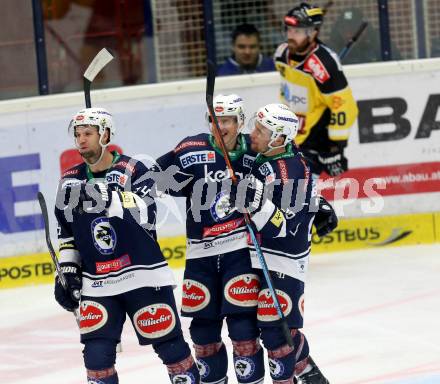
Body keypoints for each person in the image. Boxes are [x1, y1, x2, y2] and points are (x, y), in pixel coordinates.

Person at [53, 107, 200, 384]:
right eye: (78, 134)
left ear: (105, 135)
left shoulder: (134, 169)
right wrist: (68, 271)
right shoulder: (70, 180)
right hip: (98, 281)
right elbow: (67, 233)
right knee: (96, 360)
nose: (81, 140)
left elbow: (148, 213)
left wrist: (112, 197)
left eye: (88, 133)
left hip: (142, 275)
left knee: (173, 352)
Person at [153, 95, 265, 384]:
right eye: (215, 121)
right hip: (200, 254)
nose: (220, 127)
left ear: (240, 122)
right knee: (203, 332)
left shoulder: (255, 152)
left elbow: (289, 177)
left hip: (240, 251)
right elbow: (153, 178)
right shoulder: (191, 149)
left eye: (227, 120)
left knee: (242, 328)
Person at [229, 103, 330, 383]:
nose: (253, 134)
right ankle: (308, 372)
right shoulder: (273, 155)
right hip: (258, 254)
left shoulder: (288, 170)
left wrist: (255, 204)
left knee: (278, 331)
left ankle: (307, 374)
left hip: (284, 259)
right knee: (265, 327)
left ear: (279, 138)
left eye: (261, 130)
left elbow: (283, 227)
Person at [274, 2, 359, 178]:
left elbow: (344, 106)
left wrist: (335, 146)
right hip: (290, 137)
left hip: (313, 141)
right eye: (288, 30)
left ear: (313, 33)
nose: (290, 36)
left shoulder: (324, 65)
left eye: (296, 32)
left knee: (298, 196)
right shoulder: (281, 54)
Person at [327, 7, 401, 65]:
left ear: (364, 29)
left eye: (353, 29)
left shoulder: (380, 45)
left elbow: (397, 66)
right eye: (344, 29)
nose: (348, 34)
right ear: (338, 30)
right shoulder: (330, 50)